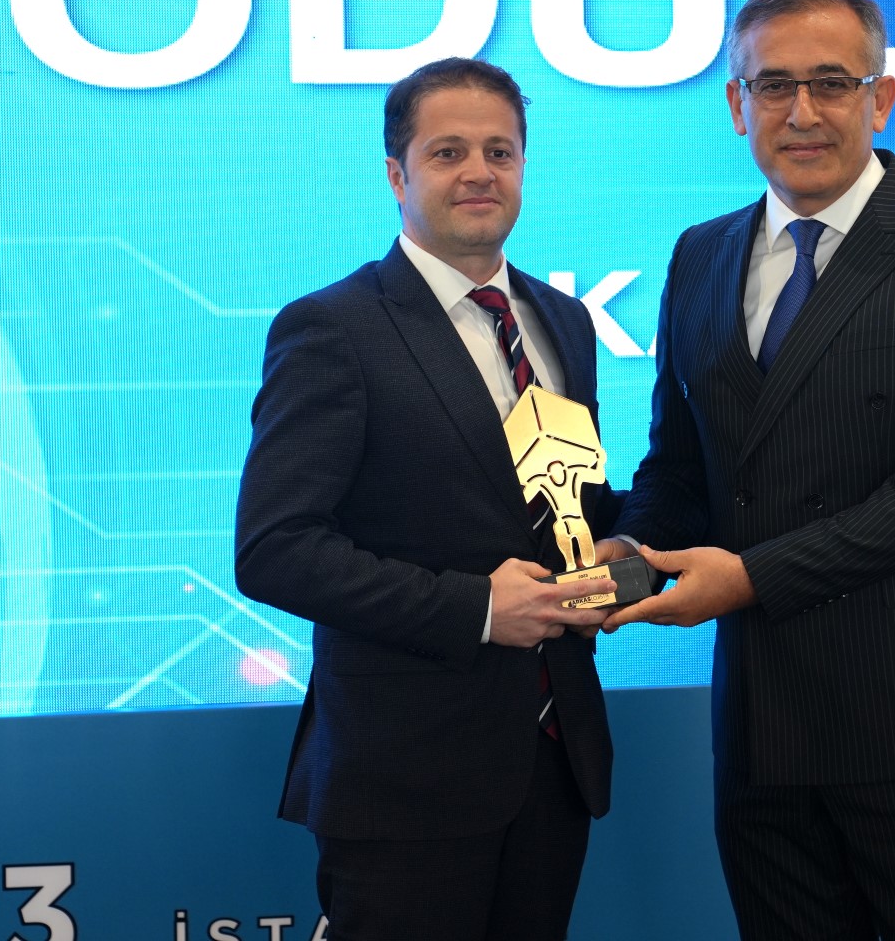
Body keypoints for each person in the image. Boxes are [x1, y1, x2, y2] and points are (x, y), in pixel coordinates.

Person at [601, 0, 895, 940]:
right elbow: (683, 464)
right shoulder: (700, 255)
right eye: (773, 85)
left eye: (831, 83)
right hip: (765, 723)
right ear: (737, 105)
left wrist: (749, 578)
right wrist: (628, 552)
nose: (801, 113)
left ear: (880, 99)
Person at [235, 57, 621, 941]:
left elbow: (570, 504)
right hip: (403, 778)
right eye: (448, 152)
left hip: (553, 760)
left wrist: (631, 547)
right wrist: (477, 608)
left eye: (500, 151)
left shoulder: (562, 321)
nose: (479, 172)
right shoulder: (333, 328)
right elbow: (276, 548)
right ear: (396, 175)